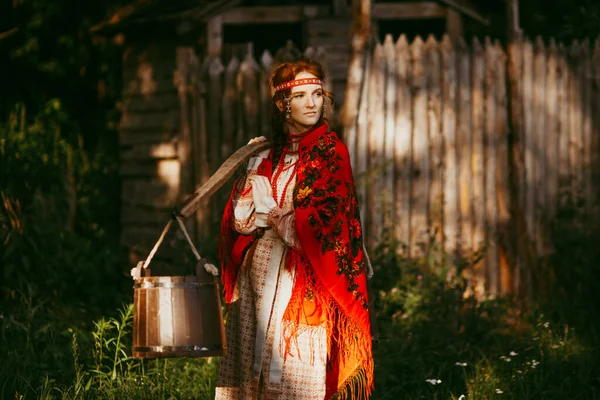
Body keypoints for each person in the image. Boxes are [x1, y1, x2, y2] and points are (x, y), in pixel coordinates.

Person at [215, 59, 374, 400]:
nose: (312, 103)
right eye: (301, 96)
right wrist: (251, 184)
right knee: (248, 375)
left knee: (293, 376)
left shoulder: (331, 154)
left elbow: (325, 231)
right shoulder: (267, 154)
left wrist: (272, 214)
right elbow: (241, 223)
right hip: (255, 281)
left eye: (317, 94)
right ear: (282, 104)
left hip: (302, 284)